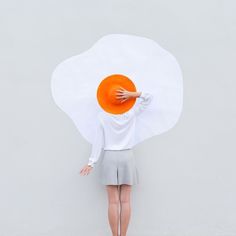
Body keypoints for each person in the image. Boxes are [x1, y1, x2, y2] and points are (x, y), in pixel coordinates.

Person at [80, 87, 153, 236]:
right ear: (124, 99)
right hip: (128, 157)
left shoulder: (103, 116)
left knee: (113, 202)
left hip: (110, 158)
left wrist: (91, 162)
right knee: (125, 201)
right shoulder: (131, 113)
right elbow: (149, 97)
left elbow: (97, 141)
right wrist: (132, 94)